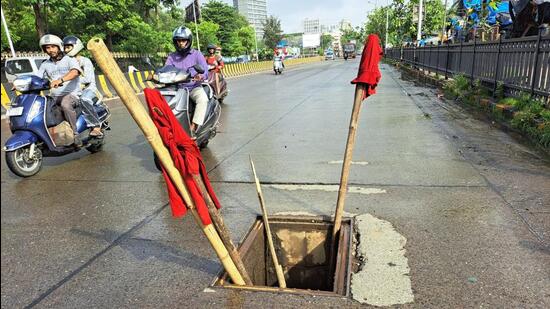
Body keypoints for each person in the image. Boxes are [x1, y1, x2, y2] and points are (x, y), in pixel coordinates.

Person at [36, 34, 83, 146]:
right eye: (47, 47)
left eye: (53, 46)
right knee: (41, 108)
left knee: (65, 104)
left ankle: (75, 134)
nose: (50, 50)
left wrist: (60, 80)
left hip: (72, 94)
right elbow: (37, 78)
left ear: (59, 46)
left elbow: (75, 72)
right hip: (55, 96)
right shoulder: (45, 64)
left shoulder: (69, 59)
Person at [165, 26, 209, 135]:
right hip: (178, 88)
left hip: (193, 87)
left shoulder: (197, 54)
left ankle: (193, 127)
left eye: (183, 40)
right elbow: (166, 69)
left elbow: (205, 70)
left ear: (188, 40)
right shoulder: (171, 56)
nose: (181, 43)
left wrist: (200, 76)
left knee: (202, 100)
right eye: (178, 40)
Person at [63, 35, 103, 137]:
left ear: (76, 46)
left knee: (84, 99)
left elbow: (88, 79)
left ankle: (96, 126)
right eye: (65, 47)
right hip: (73, 90)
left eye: (69, 47)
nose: (66, 49)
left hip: (88, 89)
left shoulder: (85, 61)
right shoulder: (65, 62)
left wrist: (69, 78)